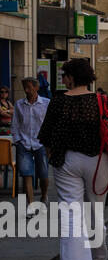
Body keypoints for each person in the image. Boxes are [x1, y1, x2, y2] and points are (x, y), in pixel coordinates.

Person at [38, 58, 108, 260]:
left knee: (71, 214)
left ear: (71, 77)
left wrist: (51, 153)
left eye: (64, 75)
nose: (62, 79)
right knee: (95, 212)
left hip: (67, 160)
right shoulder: (101, 100)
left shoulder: (59, 103)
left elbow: (45, 135)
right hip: (98, 160)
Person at [13, 77, 50, 217]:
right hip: (24, 143)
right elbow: (15, 123)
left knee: (44, 174)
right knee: (26, 173)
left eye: (29, 87)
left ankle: (44, 195)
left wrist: (49, 144)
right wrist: (17, 140)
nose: (26, 90)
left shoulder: (46, 103)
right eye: (24, 87)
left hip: (41, 144)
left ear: (36, 87)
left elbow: (50, 125)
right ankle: (30, 205)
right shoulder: (19, 104)